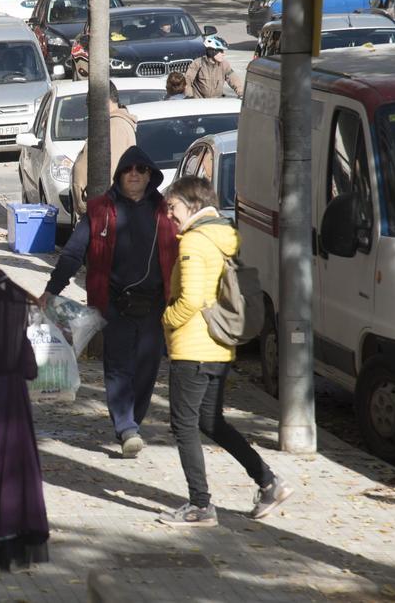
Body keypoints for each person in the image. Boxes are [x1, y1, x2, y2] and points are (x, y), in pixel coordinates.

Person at [158, 175, 295, 526]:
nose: (169, 214)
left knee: (184, 425)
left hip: (193, 346)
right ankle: (268, 481)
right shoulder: (222, 235)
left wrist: (166, 319)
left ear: (192, 204)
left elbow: (191, 298)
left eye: (172, 207)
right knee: (210, 422)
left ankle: (200, 505)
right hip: (218, 347)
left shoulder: (194, 241)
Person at [40, 146, 178, 458]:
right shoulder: (100, 209)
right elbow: (73, 253)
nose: (134, 174)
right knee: (118, 367)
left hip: (155, 305)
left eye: (141, 170)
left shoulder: (165, 210)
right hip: (114, 303)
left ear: (150, 175)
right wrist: (52, 289)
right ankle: (126, 427)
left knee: (147, 369)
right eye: (128, 169)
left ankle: (133, 422)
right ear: (119, 175)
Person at [71, 80, 137, 215]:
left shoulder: (115, 127)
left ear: (102, 101)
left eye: (89, 104)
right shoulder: (114, 125)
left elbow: (111, 172)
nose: (89, 111)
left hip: (106, 211)